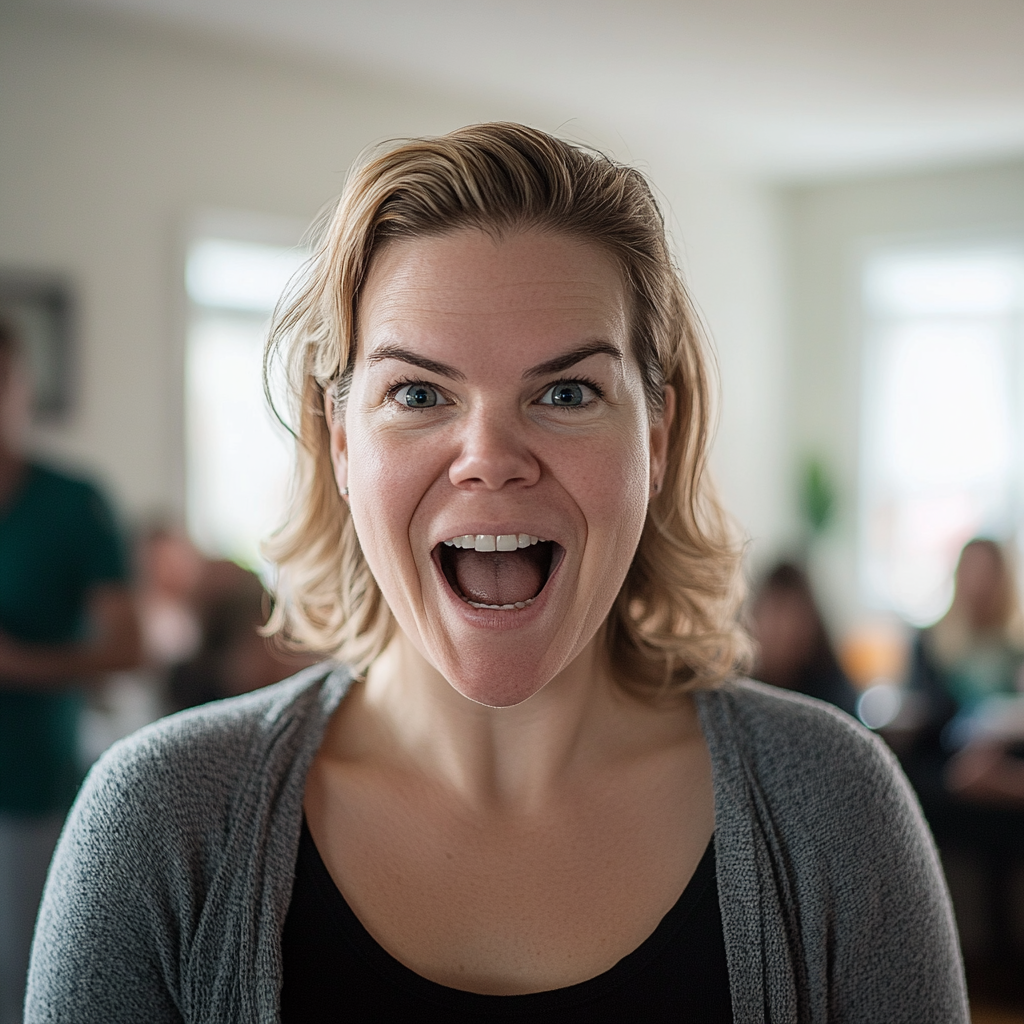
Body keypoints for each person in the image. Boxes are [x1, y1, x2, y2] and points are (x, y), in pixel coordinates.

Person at [27, 125, 967, 1022]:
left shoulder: (835, 806)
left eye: (566, 392)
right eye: (419, 392)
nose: (490, 456)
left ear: (656, 433)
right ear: (343, 442)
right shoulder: (157, 825)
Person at [0, 317, 140, 1024]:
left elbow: (128, 646)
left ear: (23, 390)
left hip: (31, 786)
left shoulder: (72, 504)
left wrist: (24, 665)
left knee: (27, 985)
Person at [748, 561, 859, 717]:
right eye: (774, 616)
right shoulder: (738, 687)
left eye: (790, 619)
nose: (781, 632)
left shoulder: (832, 694)